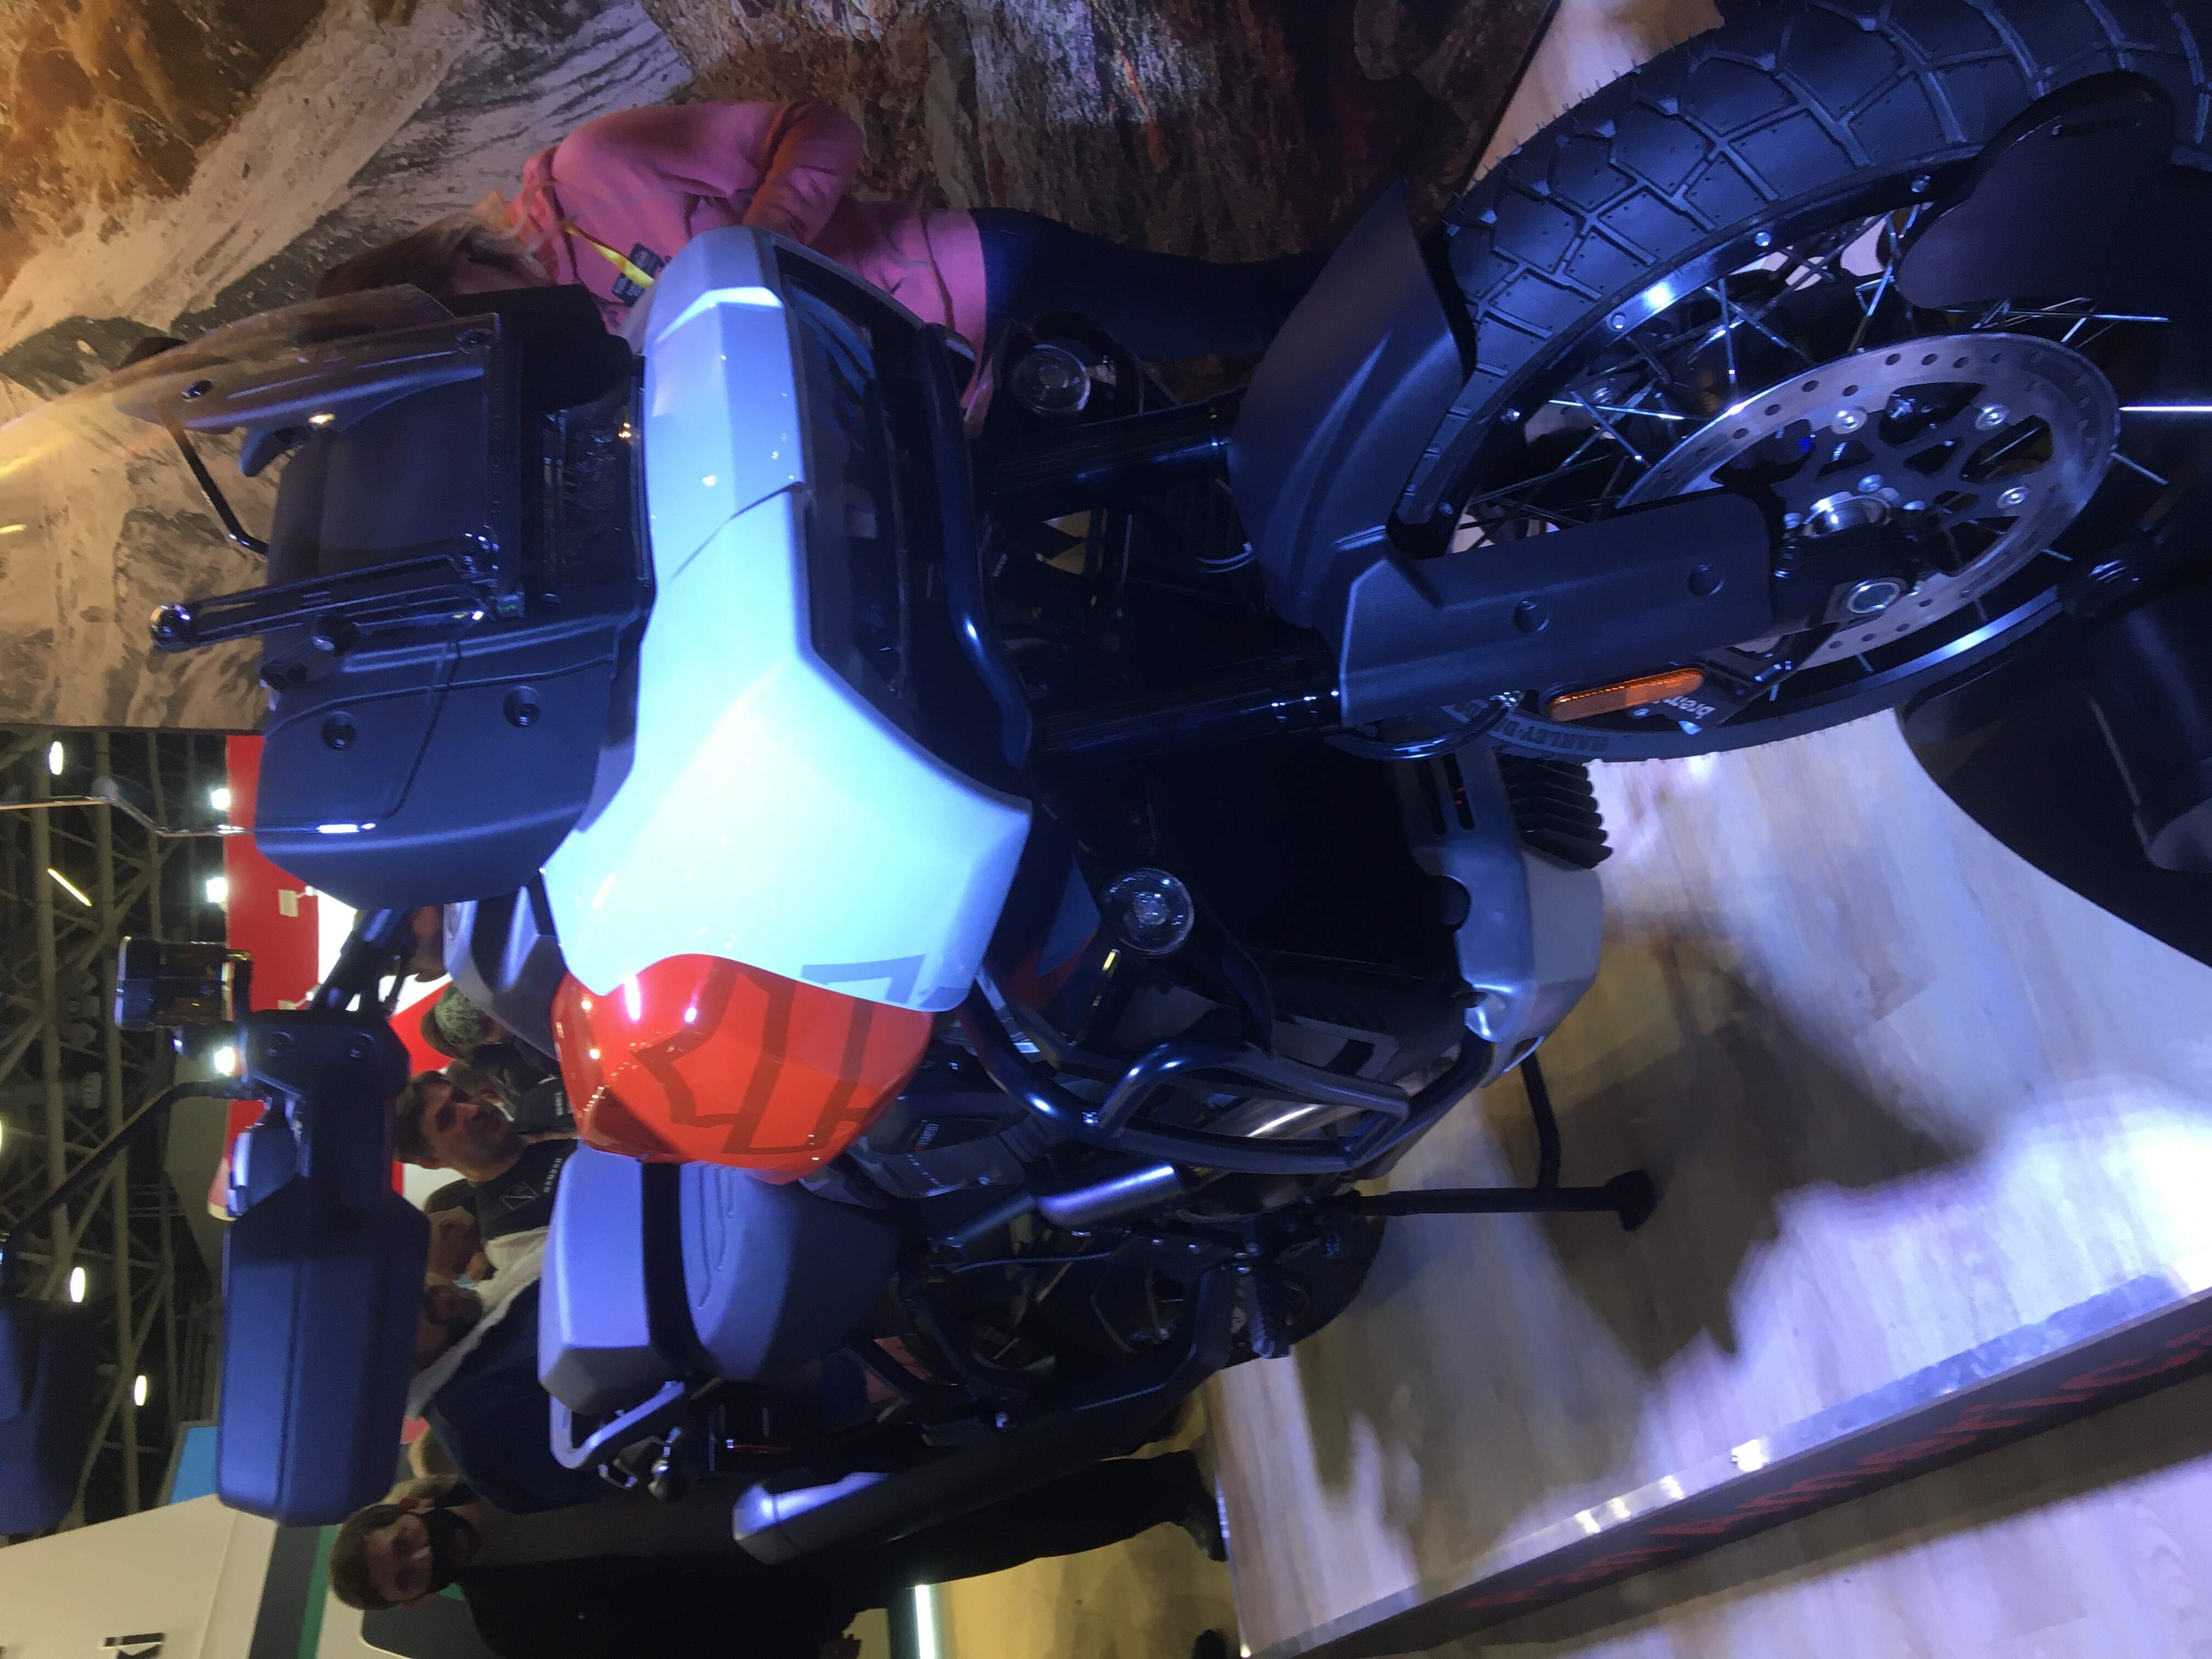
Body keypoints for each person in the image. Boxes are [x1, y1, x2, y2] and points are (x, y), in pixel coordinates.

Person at [315, 99, 1322, 373]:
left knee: (1257, 320)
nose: (482, 342)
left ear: (447, 261)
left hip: (990, 287)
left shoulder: (594, 169)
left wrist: (762, 245)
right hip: (957, 405)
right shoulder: (562, 350)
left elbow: (819, 126)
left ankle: (1430, 268)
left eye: (454, 320)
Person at [329, 1453, 1224, 1659]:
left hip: (779, 1458)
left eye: (400, 1540)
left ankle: (1137, 1421)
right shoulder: (515, 1627)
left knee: (966, 1456)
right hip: (788, 1577)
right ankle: (1160, 1490)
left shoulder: (500, 1462)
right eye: (406, 1573)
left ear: (402, 1510)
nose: (417, 1553)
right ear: (412, 1599)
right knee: (983, 1535)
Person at [393, 1070, 576, 1273]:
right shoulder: (509, 1234)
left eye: (461, 1096)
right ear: (433, 1161)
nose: (473, 1110)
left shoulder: (541, 1099)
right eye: (448, 1119)